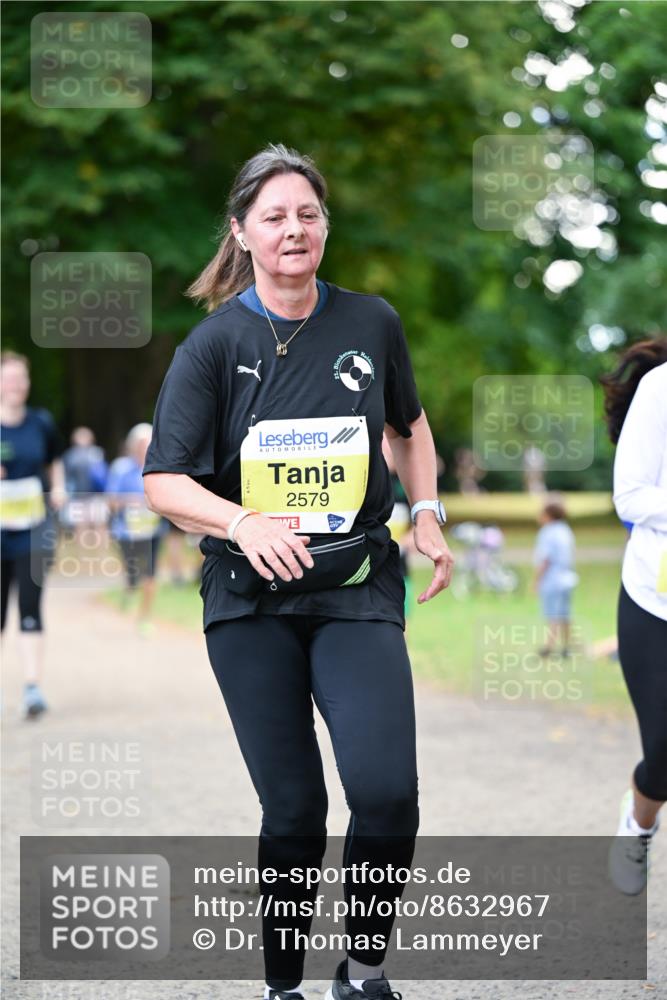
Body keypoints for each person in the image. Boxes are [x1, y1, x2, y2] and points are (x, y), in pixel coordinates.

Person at [143, 143, 454, 1000]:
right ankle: (284, 987)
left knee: (387, 796)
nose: (293, 229)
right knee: (295, 814)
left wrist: (426, 513)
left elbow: (410, 425)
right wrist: (241, 520)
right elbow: (164, 481)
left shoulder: (370, 322)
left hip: (355, 591)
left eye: (307, 214)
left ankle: (361, 970)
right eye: (274, 216)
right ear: (242, 232)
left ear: (325, 226)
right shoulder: (213, 345)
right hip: (251, 608)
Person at [600, 338, 667, 894]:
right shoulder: (659, 390)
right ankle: (639, 822)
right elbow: (631, 497)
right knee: (665, 751)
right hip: (655, 600)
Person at [0, 351, 65, 718]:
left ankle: (32, 688)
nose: (17, 386)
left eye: (21, 379)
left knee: (29, 607)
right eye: (9, 379)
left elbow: (55, 460)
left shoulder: (40, 423)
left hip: (32, 531)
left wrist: (58, 488)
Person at [107, 423, 166, 637]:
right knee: (133, 573)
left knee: (150, 575)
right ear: (133, 446)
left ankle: (145, 618)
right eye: (142, 444)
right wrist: (135, 501)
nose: (146, 448)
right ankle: (130, 590)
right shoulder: (121, 468)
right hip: (126, 531)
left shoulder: (161, 466)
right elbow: (111, 502)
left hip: (152, 530)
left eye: (149, 443)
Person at [532, 496, 577, 657]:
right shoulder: (565, 530)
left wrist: (536, 581)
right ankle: (567, 646)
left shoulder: (548, 532)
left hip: (552, 580)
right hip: (567, 579)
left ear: (548, 514)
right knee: (565, 614)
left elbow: (545, 559)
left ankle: (548, 647)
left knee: (553, 614)